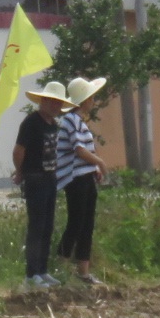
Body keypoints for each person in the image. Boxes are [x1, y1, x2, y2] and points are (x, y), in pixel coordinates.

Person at [14, 81, 73, 288]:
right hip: (35, 177)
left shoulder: (53, 125)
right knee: (36, 226)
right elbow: (19, 150)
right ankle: (31, 274)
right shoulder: (31, 122)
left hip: (50, 177)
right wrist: (20, 171)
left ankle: (43, 270)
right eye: (53, 102)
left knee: (48, 225)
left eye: (59, 103)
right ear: (44, 101)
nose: (56, 107)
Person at [55, 75, 110, 285]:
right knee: (76, 222)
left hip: (85, 177)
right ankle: (61, 266)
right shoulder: (71, 120)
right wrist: (100, 162)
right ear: (84, 100)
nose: (93, 101)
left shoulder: (79, 122)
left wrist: (93, 168)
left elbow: (85, 150)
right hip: (75, 179)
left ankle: (83, 271)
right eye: (91, 98)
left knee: (87, 223)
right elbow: (79, 149)